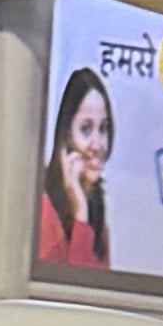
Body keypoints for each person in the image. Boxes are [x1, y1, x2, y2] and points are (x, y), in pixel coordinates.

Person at [36, 67, 116, 275]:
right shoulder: (44, 210)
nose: (97, 144)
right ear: (65, 138)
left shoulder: (97, 208)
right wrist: (79, 212)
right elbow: (75, 289)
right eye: (86, 129)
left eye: (104, 128)